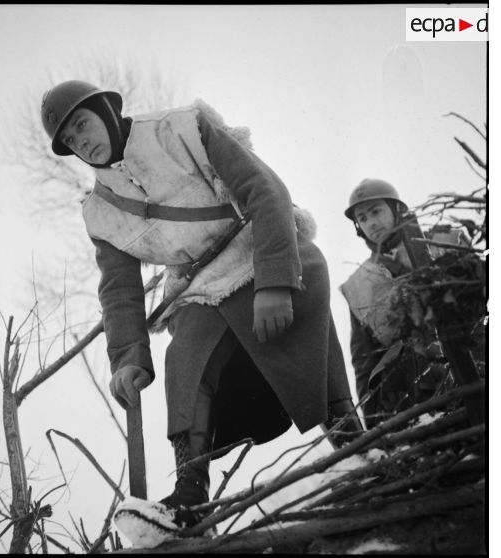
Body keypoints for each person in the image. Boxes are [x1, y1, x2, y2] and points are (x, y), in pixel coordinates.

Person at [40, 80, 363, 527]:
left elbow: (265, 190)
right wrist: (128, 358)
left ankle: (357, 451)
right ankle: (189, 496)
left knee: (312, 354)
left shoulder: (182, 128)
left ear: (106, 111)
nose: (83, 141)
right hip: (199, 288)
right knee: (185, 358)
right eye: (72, 141)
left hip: (262, 250)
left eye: (83, 124)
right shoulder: (99, 212)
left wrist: (274, 283)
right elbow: (119, 291)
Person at [339, 178, 468, 429]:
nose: (371, 223)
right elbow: (364, 362)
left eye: (376, 211)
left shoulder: (444, 241)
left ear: (397, 210)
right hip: (417, 392)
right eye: (363, 218)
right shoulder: (359, 284)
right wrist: (375, 427)